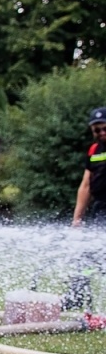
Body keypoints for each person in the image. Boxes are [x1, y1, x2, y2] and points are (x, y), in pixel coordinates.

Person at [62, 106, 106, 311]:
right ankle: (76, 294)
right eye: (97, 130)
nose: (101, 133)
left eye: (105, 128)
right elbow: (86, 184)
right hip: (100, 209)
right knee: (87, 254)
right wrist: (77, 219)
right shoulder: (93, 150)